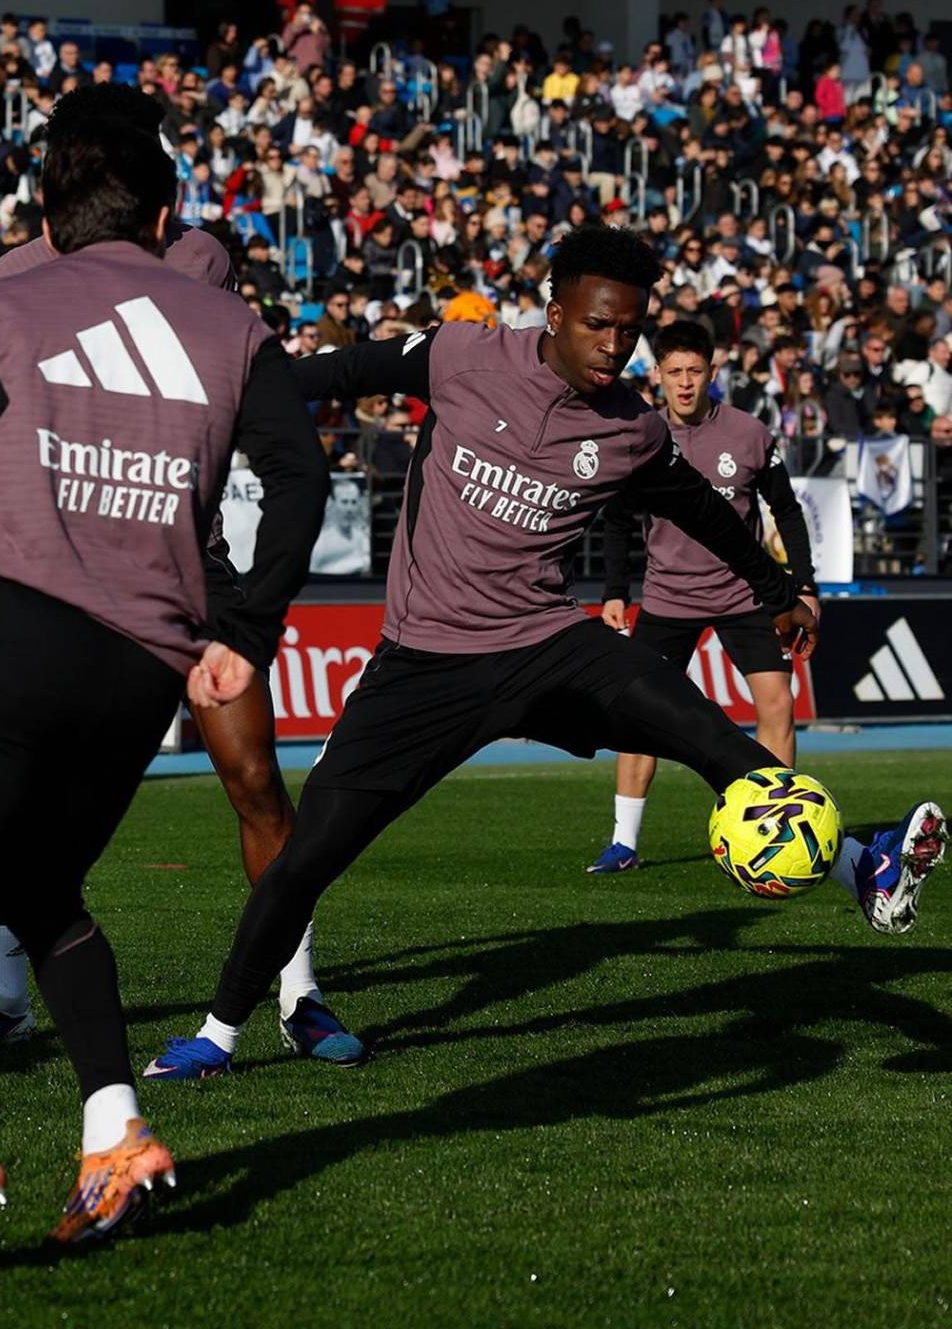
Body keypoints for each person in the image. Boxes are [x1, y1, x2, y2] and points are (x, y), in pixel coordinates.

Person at [146, 225, 945, 1081]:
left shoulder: (634, 431)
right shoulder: (461, 355)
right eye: (599, 324)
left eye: (630, 329)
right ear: (556, 313)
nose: (615, 345)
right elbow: (339, 373)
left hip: (543, 643)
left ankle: (864, 864)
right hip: (424, 661)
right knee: (307, 859)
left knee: (706, 734)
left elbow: (707, 515)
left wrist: (779, 592)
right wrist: (227, 401)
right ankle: (218, 1035)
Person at [0, 84, 330, 1283]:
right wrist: (251, 624)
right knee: (42, 893)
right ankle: (114, 1132)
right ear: (168, 209)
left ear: (48, 210)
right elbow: (299, 471)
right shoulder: (225, 321)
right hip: (143, 664)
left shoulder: (9, 301)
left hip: (19, 631)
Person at [0, 225, 364, 1069]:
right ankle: (3, 996)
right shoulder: (15, 273)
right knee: (9, 786)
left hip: (189, 568)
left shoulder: (197, 256)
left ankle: (299, 992)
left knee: (255, 779)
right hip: (61, 569)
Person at [591, 319, 818, 873]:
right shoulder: (641, 434)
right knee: (637, 716)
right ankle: (624, 843)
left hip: (746, 596)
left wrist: (805, 585)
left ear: (712, 373)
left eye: (695, 371)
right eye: (675, 372)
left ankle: (777, 834)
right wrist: (616, 591)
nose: (685, 383)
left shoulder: (749, 433)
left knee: (777, 707)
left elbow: (785, 510)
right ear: (658, 376)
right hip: (668, 600)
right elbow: (617, 520)